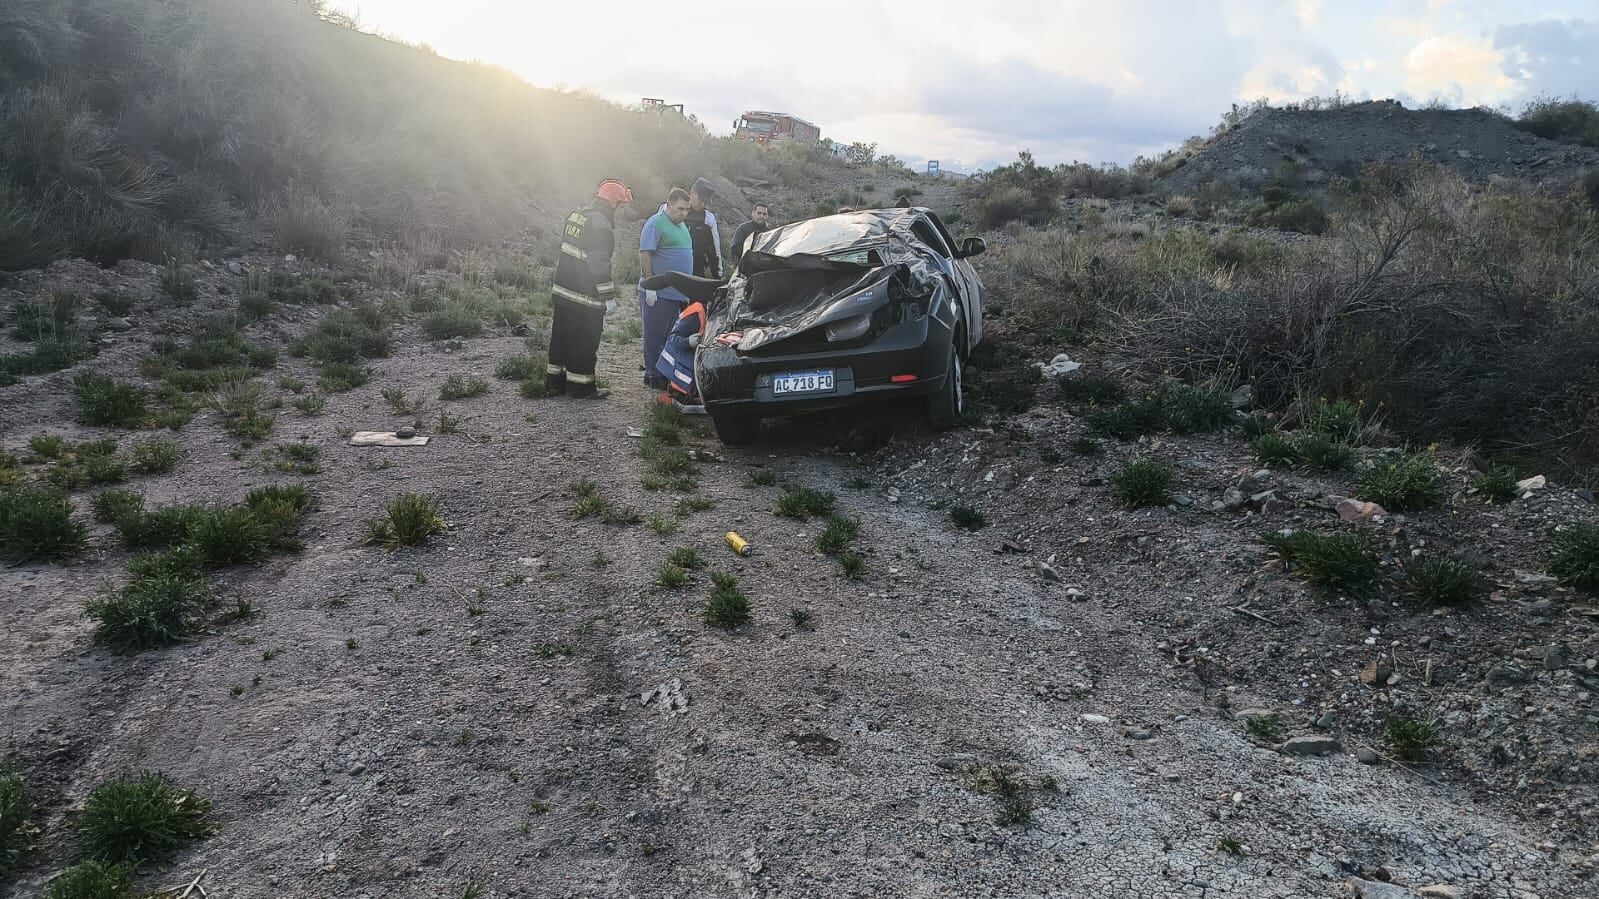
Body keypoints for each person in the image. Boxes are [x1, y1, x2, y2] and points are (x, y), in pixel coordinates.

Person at [545, 178, 631, 398]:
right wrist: (608, 296)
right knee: (584, 340)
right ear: (612, 204)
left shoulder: (577, 216)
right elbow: (599, 266)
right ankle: (581, 387)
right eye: (622, 207)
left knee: (561, 337)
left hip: (563, 291)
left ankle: (555, 383)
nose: (623, 213)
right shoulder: (601, 226)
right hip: (584, 297)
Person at [638, 187, 694, 388]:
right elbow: (645, 253)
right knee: (655, 334)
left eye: (687, 210)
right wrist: (650, 284)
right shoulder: (656, 223)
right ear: (669, 204)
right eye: (680, 209)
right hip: (659, 292)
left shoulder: (681, 225)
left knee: (671, 336)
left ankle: (666, 373)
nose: (684, 213)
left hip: (677, 294)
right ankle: (652, 374)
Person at [685, 177, 722, 278]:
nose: (702, 203)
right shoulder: (677, 210)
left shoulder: (709, 218)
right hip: (675, 269)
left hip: (697, 271)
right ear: (692, 193)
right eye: (701, 199)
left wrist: (718, 277)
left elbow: (715, 249)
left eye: (705, 201)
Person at [729, 202, 771, 268]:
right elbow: (735, 248)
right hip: (745, 268)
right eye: (759, 213)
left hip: (764, 268)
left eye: (764, 214)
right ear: (753, 213)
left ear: (767, 216)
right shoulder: (743, 228)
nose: (762, 216)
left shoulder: (770, 232)